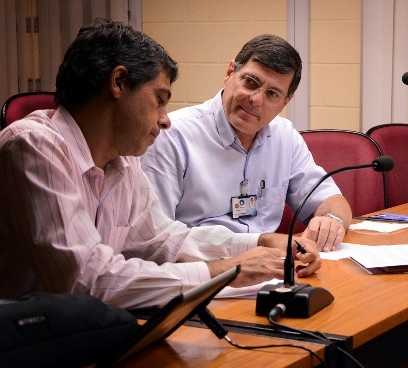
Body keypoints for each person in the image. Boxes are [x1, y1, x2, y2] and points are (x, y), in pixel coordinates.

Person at [0, 18, 321, 310]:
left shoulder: (123, 163)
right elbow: (87, 280)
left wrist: (260, 243)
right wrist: (229, 271)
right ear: (118, 83)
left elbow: (167, 240)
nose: (166, 120)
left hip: (85, 332)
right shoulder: (34, 146)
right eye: (160, 99)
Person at [141, 34, 352, 252]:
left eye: (272, 94)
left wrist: (332, 220)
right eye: (251, 83)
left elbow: (332, 201)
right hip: (204, 270)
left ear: (285, 102)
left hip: (270, 266)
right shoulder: (172, 136)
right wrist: (255, 248)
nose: (256, 99)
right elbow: (157, 238)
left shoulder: (284, 136)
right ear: (230, 72)